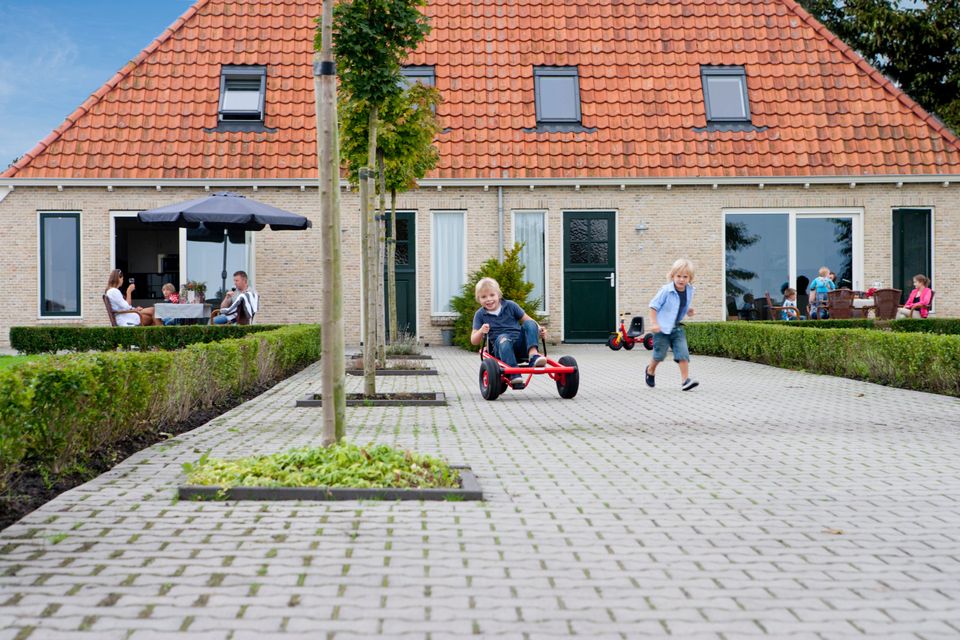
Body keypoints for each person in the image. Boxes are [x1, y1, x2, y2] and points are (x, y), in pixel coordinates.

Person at [470, 277, 547, 390]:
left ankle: (533, 356)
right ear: (479, 299)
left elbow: (528, 320)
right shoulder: (480, 314)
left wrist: (540, 330)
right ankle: (514, 374)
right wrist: (481, 331)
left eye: (492, 295)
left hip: (520, 347)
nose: (489, 299)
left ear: (498, 295)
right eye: (484, 297)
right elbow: (474, 341)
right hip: (501, 349)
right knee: (503, 338)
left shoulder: (510, 306)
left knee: (530, 323)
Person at [644, 259, 698, 391]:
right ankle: (650, 370)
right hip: (662, 329)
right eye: (678, 276)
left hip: (677, 328)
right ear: (672, 275)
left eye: (685, 277)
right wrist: (654, 323)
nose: (681, 279)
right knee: (659, 355)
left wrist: (688, 310)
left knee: (683, 353)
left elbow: (679, 304)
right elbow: (653, 306)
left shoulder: (690, 290)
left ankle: (685, 381)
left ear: (690, 278)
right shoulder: (666, 290)